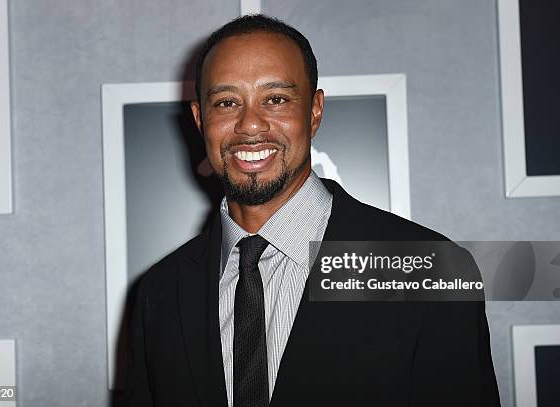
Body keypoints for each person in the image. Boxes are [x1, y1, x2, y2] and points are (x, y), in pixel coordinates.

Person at [125, 14, 500, 407]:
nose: (250, 124)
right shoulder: (160, 293)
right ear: (201, 120)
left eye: (276, 99)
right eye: (227, 102)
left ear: (315, 110)